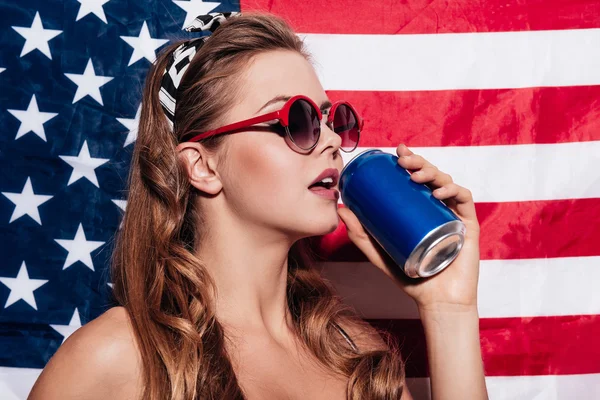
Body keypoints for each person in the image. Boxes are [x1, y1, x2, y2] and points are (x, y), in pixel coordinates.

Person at [28, 12, 488, 400]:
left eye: (333, 119)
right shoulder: (116, 357)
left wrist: (449, 310)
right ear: (203, 167)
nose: (330, 140)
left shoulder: (358, 361)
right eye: (298, 118)